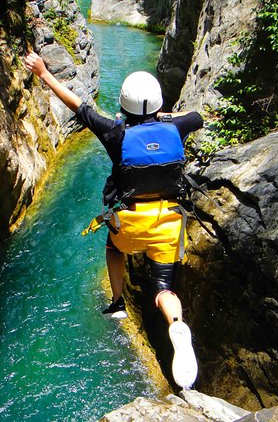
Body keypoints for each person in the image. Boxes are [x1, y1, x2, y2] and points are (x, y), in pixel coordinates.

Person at [24, 51, 202, 389]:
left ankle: (117, 302)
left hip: (132, 222)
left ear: (124, 105)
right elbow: (196, 115)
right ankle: (176, 321)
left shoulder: (116, 134)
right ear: (158, 105)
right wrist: (162, 116)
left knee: (113, 248)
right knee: (163, 288)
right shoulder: (178, 127)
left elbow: (80, 107)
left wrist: (44, 74)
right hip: (169, 220)